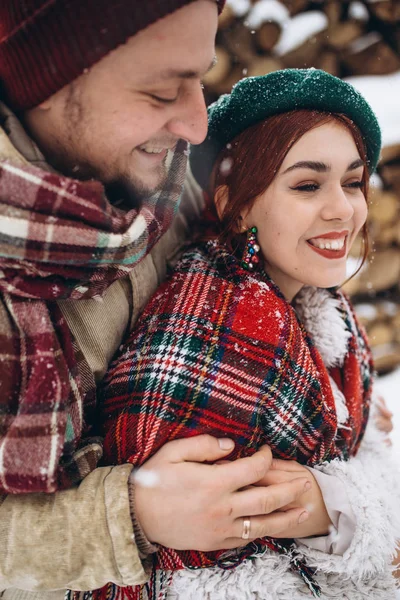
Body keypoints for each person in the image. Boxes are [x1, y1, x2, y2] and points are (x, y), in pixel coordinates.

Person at [0, 3, 314, 599]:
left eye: (199, 79)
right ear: (45, 84)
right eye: (161, 91)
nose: (197, 124)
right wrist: (126, 517)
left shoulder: (173, 178)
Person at [96, 69, 400, 600]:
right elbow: (195, 578)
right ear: (234, 204)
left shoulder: (307, 296)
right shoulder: (217, 333)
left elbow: (363, 454)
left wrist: (339, 505)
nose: (343, 210)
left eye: (352, 182)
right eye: (307, 185)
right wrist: (349, 520)